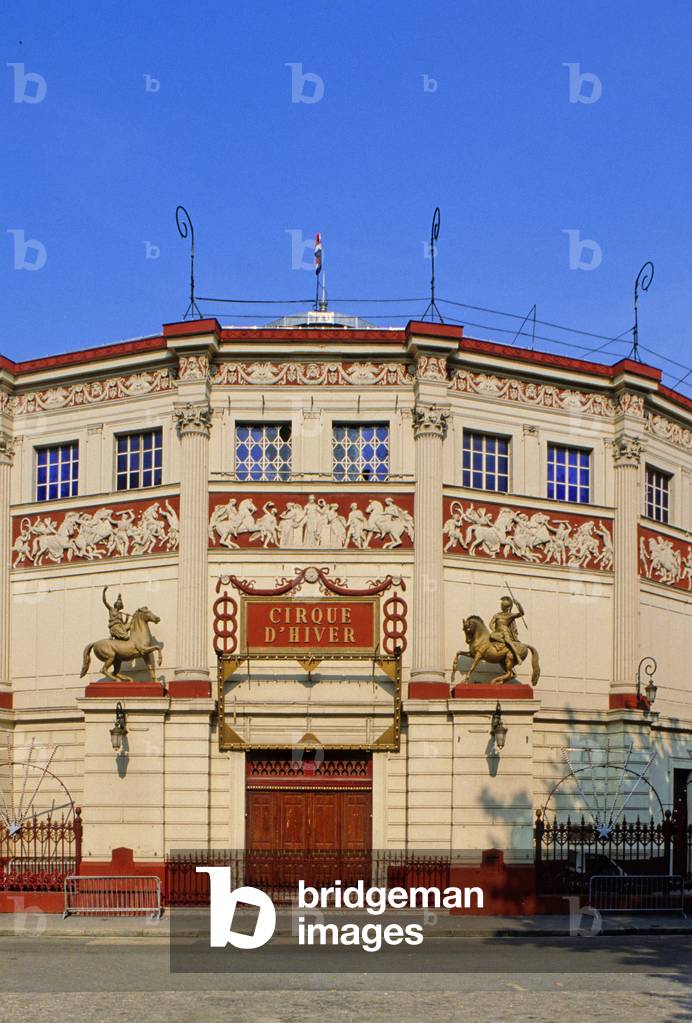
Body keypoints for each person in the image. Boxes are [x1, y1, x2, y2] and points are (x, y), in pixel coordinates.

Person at [489, 595, 524, 663]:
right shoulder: (497, 615)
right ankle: (503, 644)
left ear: (508, 607)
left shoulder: (510, 615)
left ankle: (517, 656)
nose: (502, 607)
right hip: (497, 632)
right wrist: (493, 630)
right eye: (502, 605)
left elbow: (522, 613)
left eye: (504, 606)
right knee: (491, 636)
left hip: (505, 632)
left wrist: (518, 604)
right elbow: (490, 624)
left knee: (508, 640)